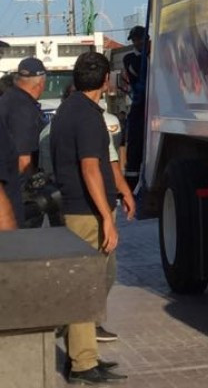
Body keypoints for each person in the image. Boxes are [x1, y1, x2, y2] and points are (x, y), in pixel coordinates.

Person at [50, 52, 127, 384]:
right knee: (84, 287)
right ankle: (82, 365)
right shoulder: (85, 115)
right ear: (106, 80)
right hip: (85, 214)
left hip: (81, 210)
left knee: (90, 285)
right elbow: (90, 168)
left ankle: (84, 356)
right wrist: (106, 219)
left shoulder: (71, 110)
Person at [0, 57, 47, 228]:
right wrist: (35, 191)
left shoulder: (9, 99)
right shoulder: (23, 108)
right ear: (40, 83)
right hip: (17, 195)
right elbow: (23, 160)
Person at [123, 26, 148, 178]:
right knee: (135, 140)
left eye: (140, 38)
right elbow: (137, 69)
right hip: (139, 103)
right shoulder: (130, 59)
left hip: (153, 103)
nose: (137, 42)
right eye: (135, 40)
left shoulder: (154, 54)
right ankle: (133, 175)